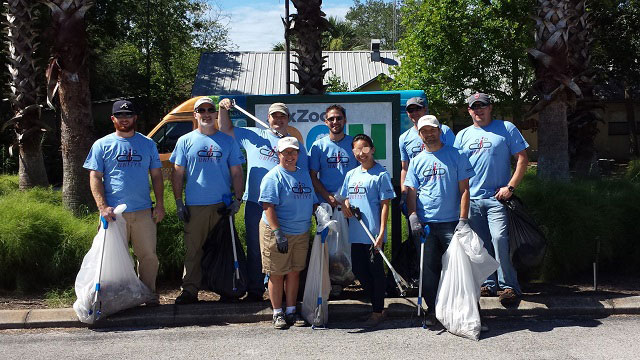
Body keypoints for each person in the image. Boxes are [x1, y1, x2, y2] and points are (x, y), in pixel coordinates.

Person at [218, 101, 308, 302]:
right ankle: (256, 290)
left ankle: (281, 292)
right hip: (256, 203)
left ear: (288, 119)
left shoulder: (294, 145)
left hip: (284, 207)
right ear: (268, 118)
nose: (278, 120)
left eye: (282, 116)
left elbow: (303, 176)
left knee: (281, 247)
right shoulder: (254, 135)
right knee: (256, 247)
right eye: (274, 116)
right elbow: (225, 128)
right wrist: (223, 109)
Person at [83, 99, 165, 306]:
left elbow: (156, 176)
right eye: (120, 116)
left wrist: (160, 204)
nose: (124, 119)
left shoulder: (148, 144)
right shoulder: (102, 145)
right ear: (113, 119)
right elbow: (95, 177)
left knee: (148, 256)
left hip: (144, 211)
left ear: (135, 118)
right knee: (113, 258)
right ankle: (116, 298)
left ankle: (148, 294)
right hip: (113, 214)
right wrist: (102, 207)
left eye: (128, 115)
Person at [454, 92, 529, 305]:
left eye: (482, 106)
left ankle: (509, 286)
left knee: (499, 239)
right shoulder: (462, 136)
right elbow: (458, 168)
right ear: (469, 110)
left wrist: (511, 187)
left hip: (498, 199)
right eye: (474, 107)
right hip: (472, 199)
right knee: (480, 244)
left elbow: (523, 158)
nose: (478, 110)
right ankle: (488, 283)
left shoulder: (506, 128)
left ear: (490, 108)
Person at [170, 97, 245, 304]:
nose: (206, 113)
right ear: (195, 115)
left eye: (210, 109)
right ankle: (190, 290)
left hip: (222, 205)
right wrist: (178, 202)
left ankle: (226, 288)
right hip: (195, 206)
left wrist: (237, 200)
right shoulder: (185, 141)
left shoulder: (228, 141)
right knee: (194, 250)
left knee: (224, 249)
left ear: (214, 114)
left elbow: (237, 173)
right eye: (201, 110)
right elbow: (177, 174)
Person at [403, 115, 474, 325]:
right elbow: (412, 192)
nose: (429, 134)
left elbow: (465, 190)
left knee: (460, 270)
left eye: (432, 130)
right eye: (424, 131)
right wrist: (413, 216)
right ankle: (434, 311)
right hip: (425, 225)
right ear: (420, 134)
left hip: (452, 223)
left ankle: (468, 312)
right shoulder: (416, 161)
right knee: (428, 271)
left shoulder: (457, 155)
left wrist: (463, 219)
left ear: (439, 131)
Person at [258, 136, 317, 329]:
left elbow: (311, 199)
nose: (290, 156)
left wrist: (320, 213)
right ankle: (277, 313)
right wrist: (278, 232)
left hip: (301, 232)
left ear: (298, 154)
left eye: (293, 152)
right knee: (276, 273)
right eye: (286, 152)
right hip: (278, 231)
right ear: (278, 154)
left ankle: (291, 310)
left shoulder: (304, 174)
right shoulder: (273, 177)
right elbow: (268, 206)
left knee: (294, 272)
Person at [340, 134, 396, 328]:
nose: (361, 153)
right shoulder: (351, 174)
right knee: (358, 270)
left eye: (365, 149)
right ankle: (376, 305)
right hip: (356, 233)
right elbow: (345, 198)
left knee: (375, 273)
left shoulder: (381, 174)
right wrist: (346, 205)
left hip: (373, 234)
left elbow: (385, 205)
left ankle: (378, 311)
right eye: (357, 149)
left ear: (372, 149)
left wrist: (381, 233)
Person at [399, 97, 455, 203]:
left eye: (418, 109)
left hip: (442, 190)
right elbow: (405, 168)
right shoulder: (404, 138)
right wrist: (404, 192)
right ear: (407, 113)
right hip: (416, 192)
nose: (414, 112)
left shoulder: (444, 130)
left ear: (425, 109)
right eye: (411, 110)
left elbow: (455, 159)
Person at [309, 104, 358, 207]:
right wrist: (327, 196)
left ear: (345, 120)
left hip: (351, 202)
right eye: (331, 119)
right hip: (326, 202)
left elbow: (362, 172)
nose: (335, 122)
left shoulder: (355, 144)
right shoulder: (318, 146)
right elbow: (312, 176)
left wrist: (349, 198)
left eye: (339, 118)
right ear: (326, 122)